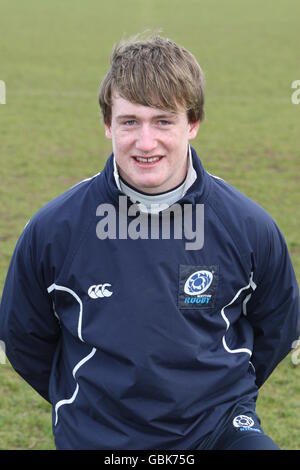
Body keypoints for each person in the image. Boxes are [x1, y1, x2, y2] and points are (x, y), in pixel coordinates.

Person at [0, 34, 299, 451]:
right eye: (129, 121)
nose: (145, 142)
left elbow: (277, 327)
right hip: (101, 437)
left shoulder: (247, 226)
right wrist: (90, 406)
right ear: (108, 125)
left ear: (192, 123)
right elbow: (23, 339)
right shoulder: (54, 230)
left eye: (163, 121)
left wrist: (219, 400)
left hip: (219, 430)